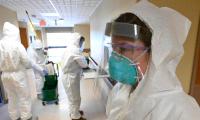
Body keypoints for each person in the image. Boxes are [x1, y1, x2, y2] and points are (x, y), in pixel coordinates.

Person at [105, 1, 200, 120]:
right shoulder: (119, 91)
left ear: (156, 52)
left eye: (124, 48)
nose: (115, 57)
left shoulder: (182, 110)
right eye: (114, 48)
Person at [0, 22, 33, 120]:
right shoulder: (17, 44)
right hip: (18, 74)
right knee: (24, 97)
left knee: (11, 97)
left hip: (5, 75)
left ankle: (14, 117)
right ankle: (26, 117)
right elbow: (26, 61)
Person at [61, 33, 88, 120]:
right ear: (77, 41)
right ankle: (75, 117)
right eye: (81, 42)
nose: (81, 44)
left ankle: (74, 111)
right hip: (70, 78)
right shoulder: (75, 50)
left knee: (72, 97)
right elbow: (84, 64)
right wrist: (85, 62)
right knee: (75, 98)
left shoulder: (69, 48)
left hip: (68, 76)